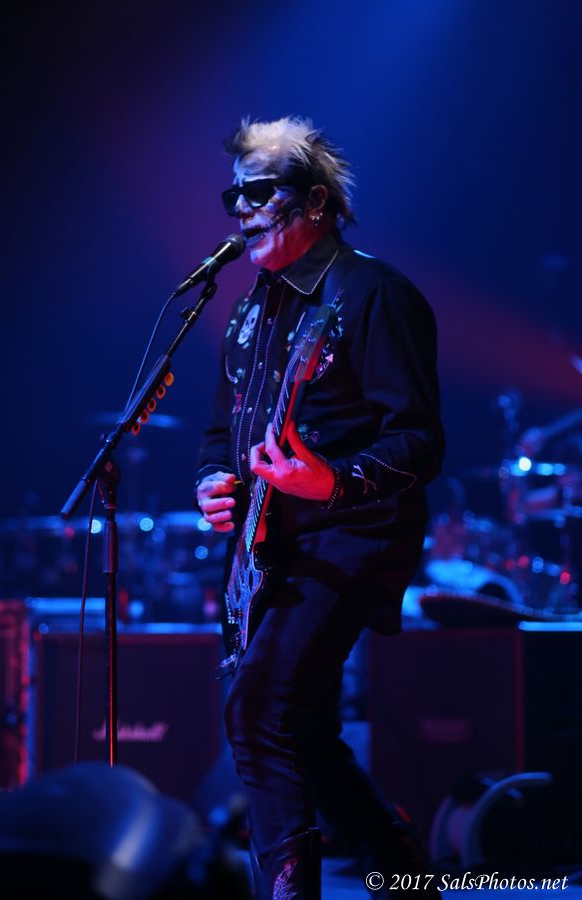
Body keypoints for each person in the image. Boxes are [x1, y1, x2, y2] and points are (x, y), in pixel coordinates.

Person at [195, 116, 445, 899]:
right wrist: (212, 480)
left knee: (258, 710)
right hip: (269, 547)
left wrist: (331, 481)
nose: (241, 208)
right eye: (233, 195)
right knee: (301, 730)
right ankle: (407, 881)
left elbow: (419, 439)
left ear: (314, 202)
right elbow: (220, 429)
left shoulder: (373, 294)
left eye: (258, 192)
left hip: (351, 538)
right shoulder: (250, 308)